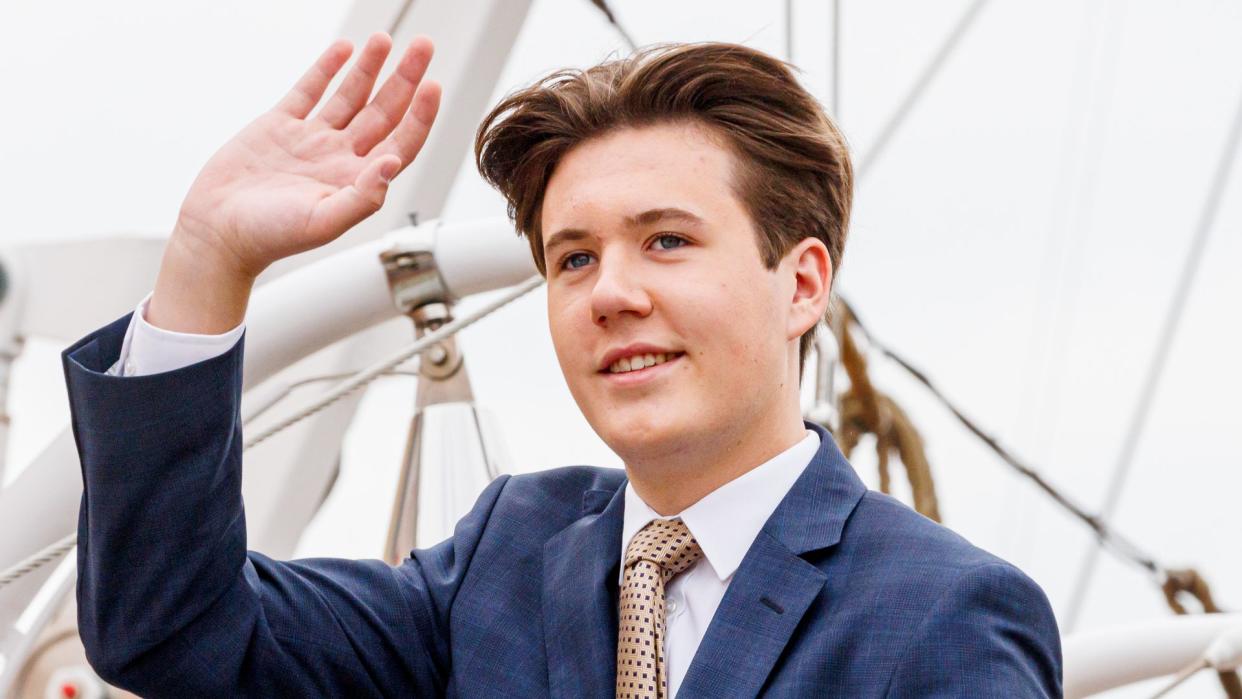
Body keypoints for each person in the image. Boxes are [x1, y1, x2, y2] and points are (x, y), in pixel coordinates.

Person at [61, 32, 1061, 697]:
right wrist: (207, 260)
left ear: (802, 284)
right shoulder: (505, 559)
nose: (609, 291)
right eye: (572, 257)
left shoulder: (946, 615)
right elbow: (171, 624)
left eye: (666, 240)